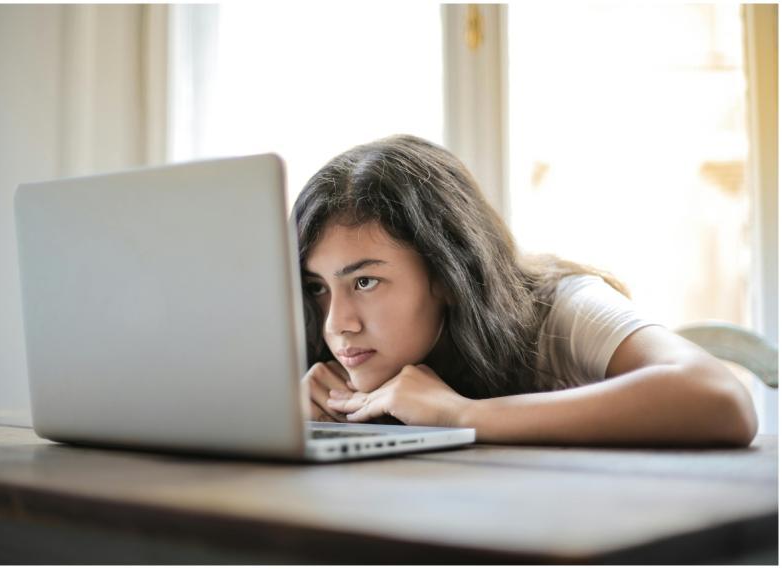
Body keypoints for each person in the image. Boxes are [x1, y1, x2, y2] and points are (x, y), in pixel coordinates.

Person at [293, 134, 757, 447]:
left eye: (365, 282)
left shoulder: (563, 307)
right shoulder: (330, 359)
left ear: (449, 274)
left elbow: (720, 398)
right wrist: (287, 420)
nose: (338, 323)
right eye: (317, 287)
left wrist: (459, 416)